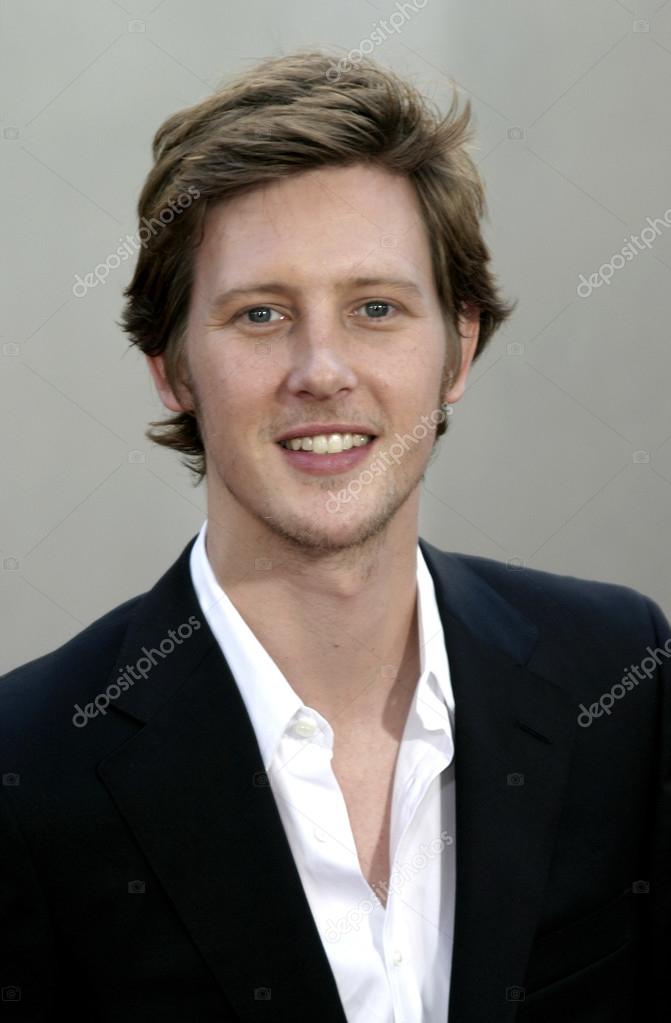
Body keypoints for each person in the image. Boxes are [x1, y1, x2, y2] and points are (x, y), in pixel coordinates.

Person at [1, 50, 669, 1023]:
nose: (321, 369)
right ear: (172, 369)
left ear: (458, 346)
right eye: (260, 313)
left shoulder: (623, 679)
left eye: (374, 309)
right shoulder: (28, 774)